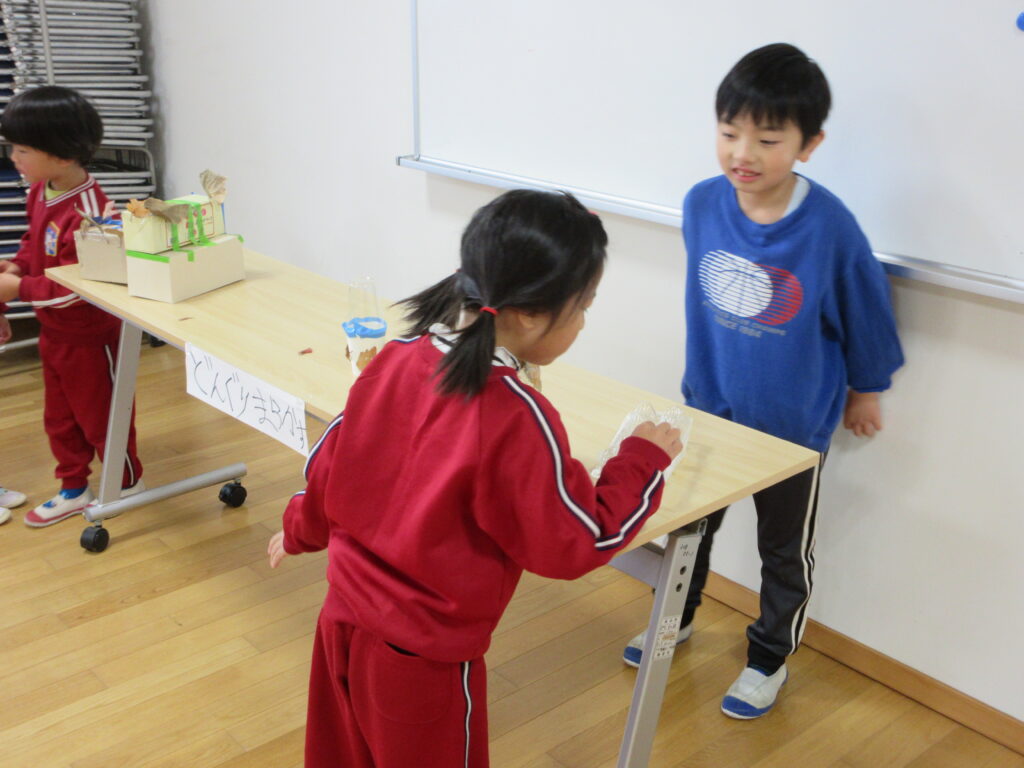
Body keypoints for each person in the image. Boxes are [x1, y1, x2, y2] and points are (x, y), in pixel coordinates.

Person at [267, 189, 683, 768]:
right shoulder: (516, 413)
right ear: (531, 314)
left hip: (338, 622)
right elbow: (575, 541)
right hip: (422, 663)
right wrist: (640, 460)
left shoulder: (395, 357)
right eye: (584, 306)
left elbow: (332, 465)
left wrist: (297, 530)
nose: (585, 322)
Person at [622, 43, 904, 719]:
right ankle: (675, 618)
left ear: (810, 145)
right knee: (689, 529)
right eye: (729, 133)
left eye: (768, 140)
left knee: (783, 551)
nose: (742, 153)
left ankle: (769, 659)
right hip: (710, 408)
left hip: (791, 430)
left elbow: (866, 309)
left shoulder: (830, 228)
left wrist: (866, 389)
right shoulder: (701, 204)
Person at [0, 86, 144, 528]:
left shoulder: (93, 213)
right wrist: (17, 265)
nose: (13, 157)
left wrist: (18, 289)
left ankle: (126, 482)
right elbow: (33, 240)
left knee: (101, 416)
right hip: (55, 333)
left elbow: (82, 287)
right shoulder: (41, 190)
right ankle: (73, 486)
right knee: (59, 418)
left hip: (90, 338)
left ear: (62, 156)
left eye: (22, 149)